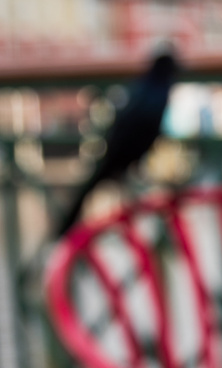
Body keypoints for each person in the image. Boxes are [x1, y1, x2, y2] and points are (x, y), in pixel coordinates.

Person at [55, 49, 179, 239]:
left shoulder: (144, 87)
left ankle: (63, 230)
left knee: (91, 189)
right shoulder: (157, 91)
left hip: (120, 153)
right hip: (124, 154)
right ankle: (63, 231)